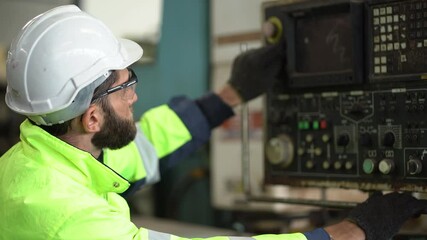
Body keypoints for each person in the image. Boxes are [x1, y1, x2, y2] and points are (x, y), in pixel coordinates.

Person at [0, 4, 426, 240]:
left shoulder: (42, 158)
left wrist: (230, 95)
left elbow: (141, 150)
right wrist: (349, 233)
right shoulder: (68, 221)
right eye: (124, 84)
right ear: (93, 117)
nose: (134, 94)